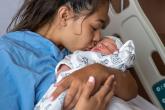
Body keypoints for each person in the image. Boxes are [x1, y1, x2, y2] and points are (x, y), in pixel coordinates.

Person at [0, 0, 138, 110]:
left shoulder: (78, 48)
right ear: (65, 15)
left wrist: (100, 71)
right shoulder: (7, 56)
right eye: (94, 27)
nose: (98, 37)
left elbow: (132, 89)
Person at [34, 36, 135, 110]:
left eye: (106, 45)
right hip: (70, 82)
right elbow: (69, 60)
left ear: (116, 52)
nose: (99, 43)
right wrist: (64, 69)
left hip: (96, 92)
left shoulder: (111, 60)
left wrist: (120, 58)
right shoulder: (81, 54)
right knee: (57, 99)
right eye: (100, 42)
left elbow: (123, 67)